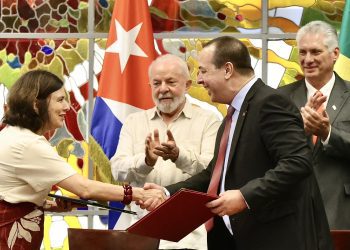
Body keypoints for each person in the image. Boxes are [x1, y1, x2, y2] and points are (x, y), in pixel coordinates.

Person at [141, 36, 333, 250]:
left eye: (203, 71)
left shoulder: (269, 102)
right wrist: (166, 192)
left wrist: (245, 196)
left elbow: (297, 162)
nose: (199, 80)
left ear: (227, 70)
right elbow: (214, 175)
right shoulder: (232, 115)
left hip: (275, 239)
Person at [0, 70, 165, 250]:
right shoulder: (28, 144)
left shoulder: (12, 135)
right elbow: (85, 189)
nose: (67, 107)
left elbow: (12, 196)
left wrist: (51, 206)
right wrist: (140, 194)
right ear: (35, 104)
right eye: (60, 100)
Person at [110, 54, 220, 250]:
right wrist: (146, 161)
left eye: (170, 82)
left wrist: (179, 156)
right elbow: (116, 170)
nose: (163, 89)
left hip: (189, 238)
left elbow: (214, 174)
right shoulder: (134, 122)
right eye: (156, 83)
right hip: (140, 235)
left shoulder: (209, 121)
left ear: (187, 85)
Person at [279, 20, 350, 229]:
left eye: (315, 52)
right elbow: (269, 152)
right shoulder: (280, 98)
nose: (307, 59)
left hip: (341, 210)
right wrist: (299, 131)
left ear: (335, 53)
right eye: (302, 52)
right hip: (292, 212)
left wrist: (327, 132)